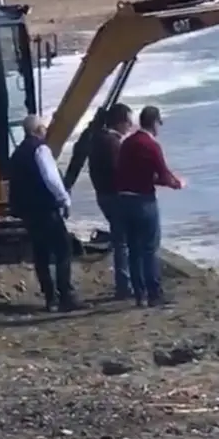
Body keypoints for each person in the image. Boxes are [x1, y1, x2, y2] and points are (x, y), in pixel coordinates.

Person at [9, 115, 85, 312]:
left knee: (41, 254)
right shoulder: (40, 149)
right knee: (63, 249)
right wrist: (64, 200)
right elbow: (51, 178)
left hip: (28, 212)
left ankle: (50, 298)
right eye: (43, 127)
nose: (46, 130)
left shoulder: (17, 154)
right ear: (37, 130)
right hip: (45, 208)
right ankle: (66, 295)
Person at [115, 106, 184, 307]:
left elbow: (124, 171)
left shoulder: (127, 143)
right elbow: (163, 174)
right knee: (149, 249)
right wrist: (176, 183)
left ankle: (139, 294)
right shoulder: (151, 145)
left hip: (124, 201)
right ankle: (154, 294)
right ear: (154, 123)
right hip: (143, 201)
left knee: (134, 249)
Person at [88, 103, 133, 300]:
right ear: (120, 122)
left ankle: (125, 283)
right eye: (129, 122)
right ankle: (125, 285)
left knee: (120, 238)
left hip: (102, 194)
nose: (131, 126)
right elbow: (120, 172)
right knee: (123, 241)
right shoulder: (112, 142)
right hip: (115, 196)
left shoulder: (97, 138)